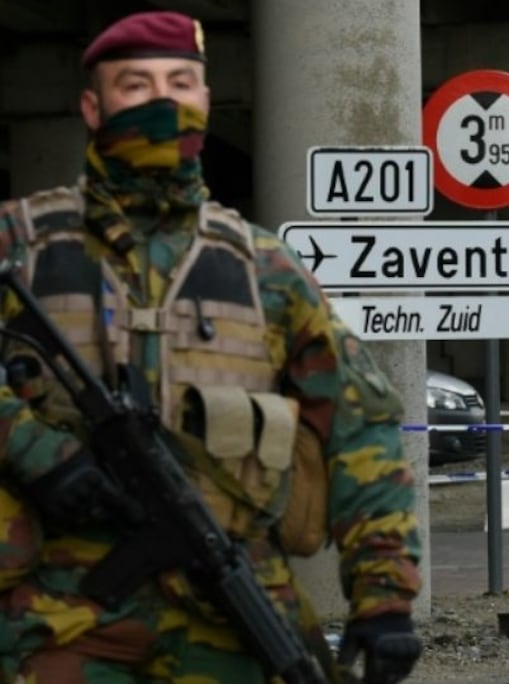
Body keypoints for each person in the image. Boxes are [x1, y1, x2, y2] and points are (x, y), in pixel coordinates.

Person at [0, 11, 421, 682]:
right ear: (92, 105)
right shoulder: (20, 243)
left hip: (228, 600)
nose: (161, 102)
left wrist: (384, 596)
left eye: (180, 83)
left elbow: (359, 431)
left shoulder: (265, 269)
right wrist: (32, 445)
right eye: (135, 85)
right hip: (57, 608)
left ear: (205, 102)